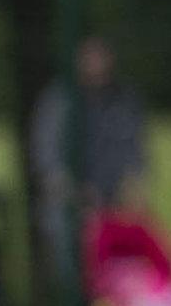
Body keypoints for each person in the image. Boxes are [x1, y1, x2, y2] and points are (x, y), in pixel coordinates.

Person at [30, 35, 150, 285]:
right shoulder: (59, 102)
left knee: (134, 257)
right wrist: (78, 196)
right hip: (70, 206)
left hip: (114, 204)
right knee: (73, 250)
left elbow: (135, 151)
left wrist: (133, 186)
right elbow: (48, 161)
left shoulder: (123, 100)